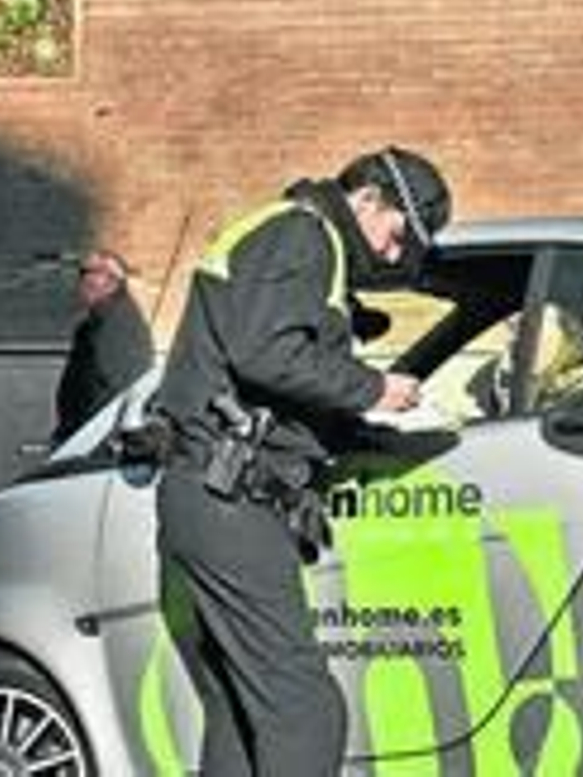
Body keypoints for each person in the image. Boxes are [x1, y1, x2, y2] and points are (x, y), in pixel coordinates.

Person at [154, 146, 451, 776]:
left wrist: (363, 435)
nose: (397, 256)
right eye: (399, 236)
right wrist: (376, 389)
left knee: (240, 715)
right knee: (305, 709)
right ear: (368, 199)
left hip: (208, 495)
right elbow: (267, 352)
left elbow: (268, 377)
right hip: (227, 498)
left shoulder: (296, 239)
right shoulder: (303, 234)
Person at [51, 249, 155, 446]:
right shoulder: (103, 320)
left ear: (111, 281)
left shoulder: (117, 324)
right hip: (83, 435)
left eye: (89, 273)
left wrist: (85, 437)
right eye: (82, 273)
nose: (82, 281)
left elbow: (116, 385)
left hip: (91, 439)